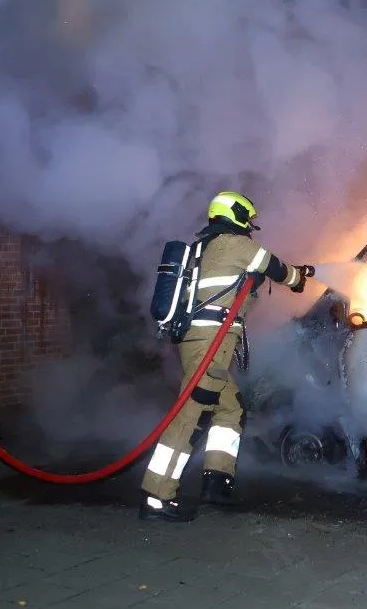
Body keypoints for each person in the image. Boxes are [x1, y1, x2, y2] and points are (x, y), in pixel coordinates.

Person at [139, 191, 314, 523]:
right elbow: (275, 266)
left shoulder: (209, 247)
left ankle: (217, 481)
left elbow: (248, 276)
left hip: (204, 340)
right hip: (210, 341)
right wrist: (297, 278)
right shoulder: (234, 244)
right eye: (247, 219)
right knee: (192, 411)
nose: (249, 226)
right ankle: (157, 495)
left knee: (229, 407)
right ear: (235, 215)